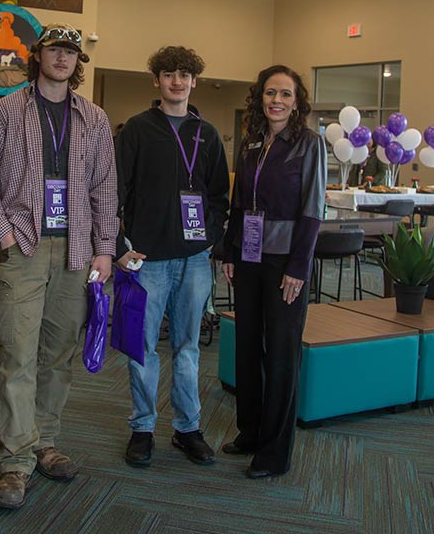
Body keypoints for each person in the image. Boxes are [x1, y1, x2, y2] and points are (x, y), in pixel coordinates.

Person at [0, 23, 118, 510]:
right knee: (18, 354)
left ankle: (45, 442)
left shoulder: (93, 118)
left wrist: (104, 249)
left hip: (77, 251)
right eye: (55, 49)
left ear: (79, 62)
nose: (63, 57)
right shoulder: (6, 111)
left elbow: (105, 188)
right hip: (25, 250)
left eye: (71, 52)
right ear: (37, 55)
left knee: (58, 354)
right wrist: (4, 233)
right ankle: (15, 461)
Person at [115, 45, 230, 469]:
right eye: (168, 74)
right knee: (141, 349)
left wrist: (210, 238)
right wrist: (119, 247)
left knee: (187, 349)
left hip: (194, 260)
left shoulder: (209, 134)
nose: (177, 81)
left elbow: (219, 196)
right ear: (157, 81)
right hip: (147, 260)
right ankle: (142, 427)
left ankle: (187, 429)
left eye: (184, 74)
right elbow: (116, 191)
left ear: (194, 80)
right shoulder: (138, 130)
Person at [217, 65, 325, 479]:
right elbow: (240, 202)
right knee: (247, 346)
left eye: (284, 94)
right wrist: (229, 250)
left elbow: (313, 210)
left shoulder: (309, 144)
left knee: (280, 352)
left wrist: (299, 266)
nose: (276, 101)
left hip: (286, 263)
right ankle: (251, 431)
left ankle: (275, 451)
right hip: (247, 255)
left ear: (297, 102)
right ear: (259, 97)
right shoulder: (251, 143)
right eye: (269, 93)